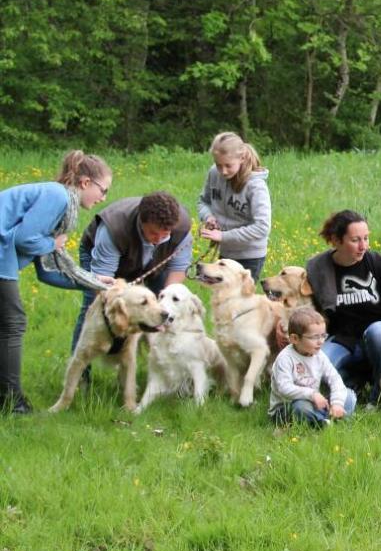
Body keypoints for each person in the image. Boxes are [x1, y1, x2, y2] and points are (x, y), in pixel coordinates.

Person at [0, 151, 113, 413]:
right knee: (13, 322)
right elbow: (24, 238)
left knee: (8, 323)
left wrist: (94, 282)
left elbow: (47, 272)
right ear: (85, 183)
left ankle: (8, 399)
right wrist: (52, 243)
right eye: (103, 190)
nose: (103, 198)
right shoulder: (58, 196)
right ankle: (12, 403)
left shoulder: (61, 207)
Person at [305, 210, 381, 406]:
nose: (363, 246)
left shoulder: (379, 265)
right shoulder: (318, 268)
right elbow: (308, 310)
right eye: (355, 240)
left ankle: (380, 397)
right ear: (336, 240)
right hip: (345, 340)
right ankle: (354, 382)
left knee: (378, 332)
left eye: (366, 238)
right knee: (319, 366)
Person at [71, 191, 194, 355]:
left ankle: (156, 361)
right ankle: (82, 370)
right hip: (104, 265)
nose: (158, 239)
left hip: (155, 261)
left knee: (159, 307)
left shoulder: (181, 227)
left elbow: (178, 268)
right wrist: (121, 315)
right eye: (153, 233)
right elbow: (101, 286)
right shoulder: (114, 229)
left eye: (165, 235)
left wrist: (164, 301)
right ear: (141, 222)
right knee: (93, 306)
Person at [196, 131, 271, 281]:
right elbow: (203, 202)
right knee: (221, 298)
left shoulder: (256, 186)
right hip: (226, 253)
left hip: (249, 255)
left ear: (242, 158)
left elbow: (262, 227)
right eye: (218, 165)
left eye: (228, 165)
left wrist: (223, 236)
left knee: (240, 301)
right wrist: (209, 217)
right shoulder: (213, 173)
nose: (223, 171)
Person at [269, 307, 355, 427]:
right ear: (295, 339)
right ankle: (327, 423)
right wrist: (312, 394)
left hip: (314, 402)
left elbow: (334, 379)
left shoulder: (319, 355)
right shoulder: (285, 358)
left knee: (349, 395)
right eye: (314, 337)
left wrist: (337, 403)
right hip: (287, 407)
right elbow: (284, 388)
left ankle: (327, 419)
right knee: (301, 407)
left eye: (323, 336)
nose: (320, 342)